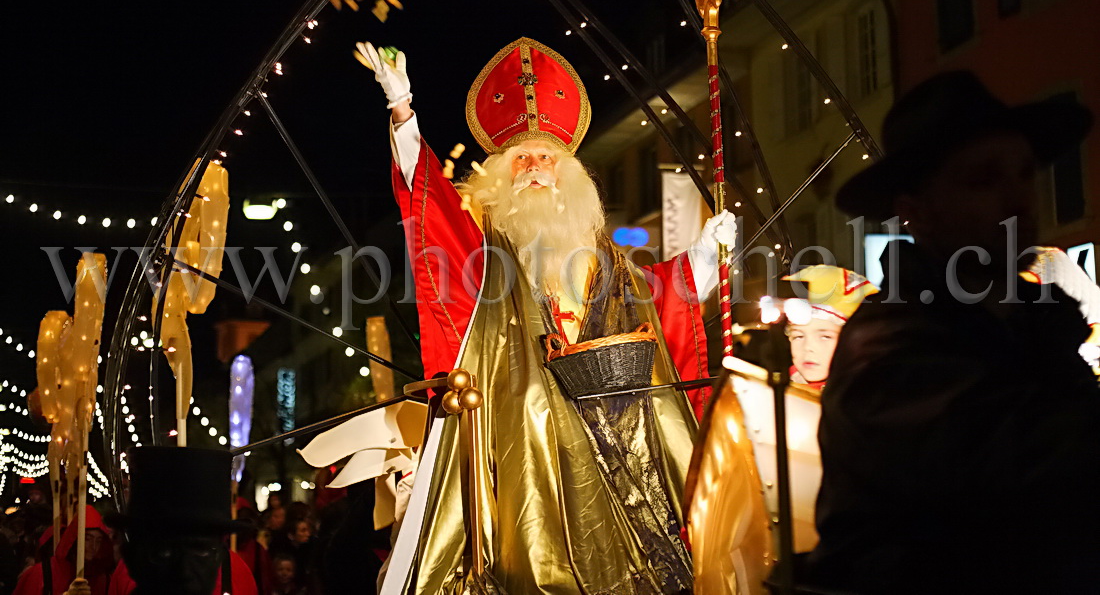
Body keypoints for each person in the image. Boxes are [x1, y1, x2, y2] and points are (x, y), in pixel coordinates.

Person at [360, 38, 735, 593]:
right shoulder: (484, 261)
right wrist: (403, 112)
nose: (536, 167)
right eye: (521, 159)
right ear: (502, 177)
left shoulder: (608, 261)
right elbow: (432, 204)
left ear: (570, 176)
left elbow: (656, 302)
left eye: (548, 158)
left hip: (624, 457)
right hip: (528, 457)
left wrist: (702, 259)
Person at [807, 71, 1100, 593]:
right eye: (983, 180)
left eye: (1025, 173)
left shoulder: (1031, 320)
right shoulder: (889, 347)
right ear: (915, 211)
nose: (1019, 200)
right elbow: (1030, 461)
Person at [106, 447, 257, 595]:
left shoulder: (238, 572)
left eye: (200, 550)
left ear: (220, 558)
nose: (184, 572)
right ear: (131, 558)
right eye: (163, 552)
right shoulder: (122, 576)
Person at [781, 265, 878, 388]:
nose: (808, 347)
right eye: (798, 336)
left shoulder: (870, 397)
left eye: (825, 337)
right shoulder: (779, 387)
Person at [12, 506, 115, 595]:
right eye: (87, 539)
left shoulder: (104, 580)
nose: (93, 546)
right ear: (75, 539)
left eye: (98, 540)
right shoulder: (42, 574)